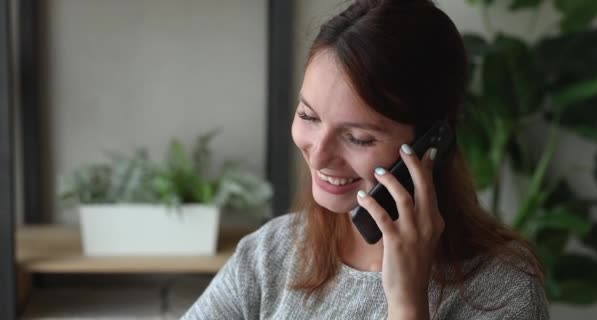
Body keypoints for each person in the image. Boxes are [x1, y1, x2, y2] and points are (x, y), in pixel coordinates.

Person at [182, 0, 548, 319]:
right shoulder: (269, 255)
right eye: (309, 116)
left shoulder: (503, 288)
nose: (319, 154)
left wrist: (407, 303)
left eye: (358, 138)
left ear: (431, 145)